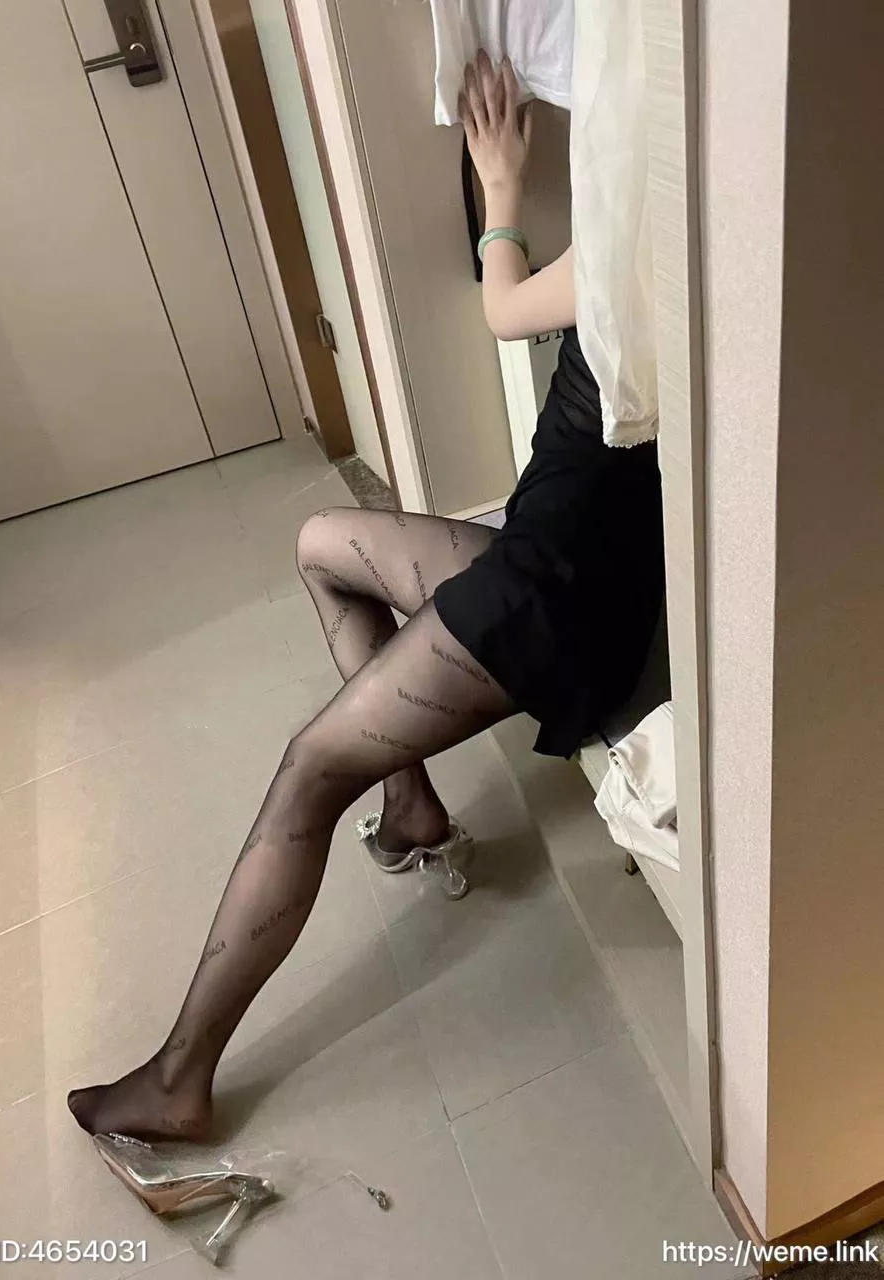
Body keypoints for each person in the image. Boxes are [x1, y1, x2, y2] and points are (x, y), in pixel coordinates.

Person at [68, 51, 664, 1142]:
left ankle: (180, 1079)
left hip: (555, 605)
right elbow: (518, 315)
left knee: (306, 768)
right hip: (550, 562)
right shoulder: (664, 228)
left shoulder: (645, 235)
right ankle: (412, 806)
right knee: (322, 544)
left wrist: (498, 188)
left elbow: (504, 306)